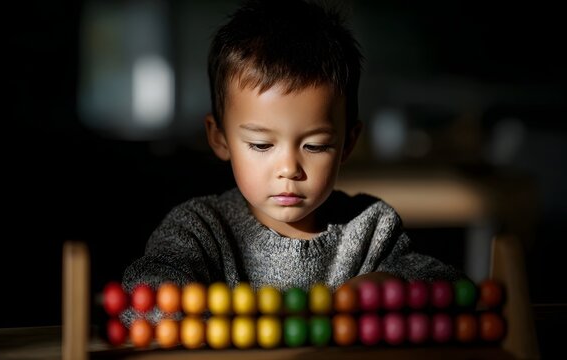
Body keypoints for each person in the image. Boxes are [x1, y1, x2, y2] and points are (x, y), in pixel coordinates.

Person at [122, 0, 463, 322]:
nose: (289, 169)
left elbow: (449, 288)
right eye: (260, 144)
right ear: (219, 138)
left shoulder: (371, 229)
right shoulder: (200, 229)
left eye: (314, 146)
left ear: (348, 143)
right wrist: (189, 307)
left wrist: (392, 286)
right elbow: (142, 298)